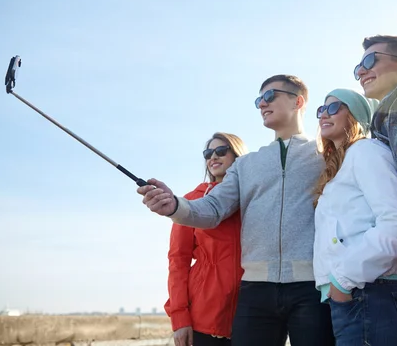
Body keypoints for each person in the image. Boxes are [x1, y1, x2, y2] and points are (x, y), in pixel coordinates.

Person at [138, 75, 335, 346]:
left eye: (270, 96)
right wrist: (174, 205)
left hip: (312, 288)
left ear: (298, 101)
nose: (262, 104)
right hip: (255, 291)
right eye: (258, 100)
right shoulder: (246, 165)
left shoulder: (326, 155)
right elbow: (212, 208)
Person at [312, 88, 397, 345]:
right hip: (356, 297)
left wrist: (343, 280)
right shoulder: (338, 169)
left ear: (355, 115)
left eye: (334, 107)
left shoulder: (366, 151)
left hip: (373, 295)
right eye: (321, 110)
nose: (324, 115)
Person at [166, 132, 248, 346]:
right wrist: (179, 317)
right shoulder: (191, 202)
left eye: (221, 151)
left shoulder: (253, 198)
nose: (213, 157)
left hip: (251, 312)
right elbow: (178, 261)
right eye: (208, 153)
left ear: (238, 155)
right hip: (204, 315)